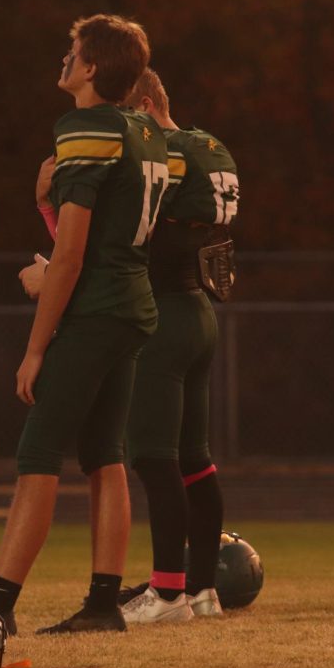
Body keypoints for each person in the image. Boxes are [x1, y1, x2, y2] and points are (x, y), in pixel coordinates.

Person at [0, 14, 169, 635]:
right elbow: (102, 233)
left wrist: (36, 347)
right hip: (132, 304)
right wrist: (46, 205)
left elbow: (72, 254)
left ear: (92, 67)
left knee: (38, 452)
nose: (64, 58)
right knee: (103, 455)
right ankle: (102, 602)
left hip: (96, 312)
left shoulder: (85, 126)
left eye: (73, 50)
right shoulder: (142, 128)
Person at [116, 68, 240, 625]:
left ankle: (166, 593)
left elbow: (132, 231)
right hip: (200, 311)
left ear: (144, 104)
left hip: (162, 313)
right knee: (195, 460)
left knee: (154, 456)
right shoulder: (210, 145)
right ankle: (203, 590)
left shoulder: (166, 152)